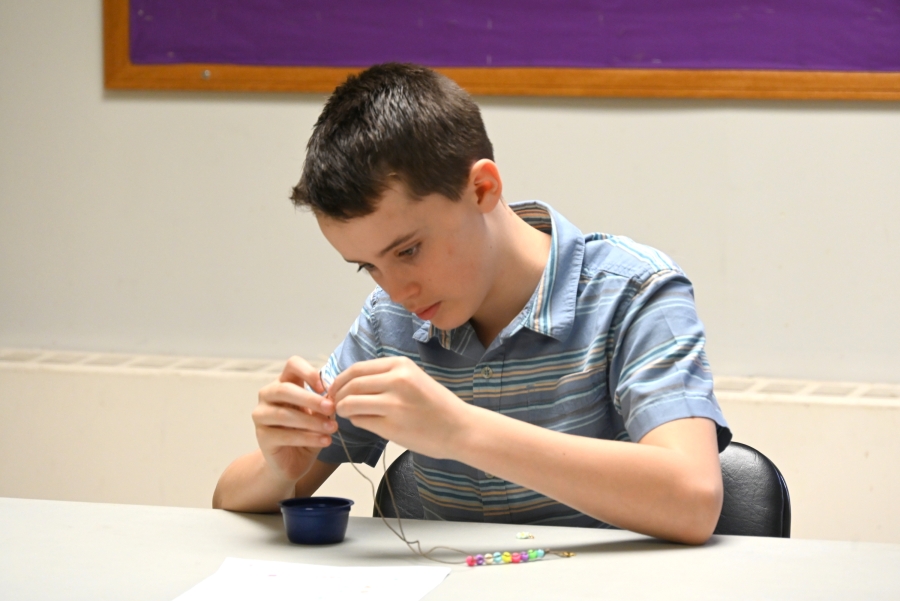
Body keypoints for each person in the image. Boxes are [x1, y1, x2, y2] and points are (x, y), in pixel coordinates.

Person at [213, 63, 731, 545]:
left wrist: (461, 431)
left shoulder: (635, 291)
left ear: (482, 188)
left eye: (409, 250)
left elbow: (693, 499)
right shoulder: (388, 321)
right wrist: (280, 468)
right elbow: (227, 502)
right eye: (368, 266)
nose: (396, 291)